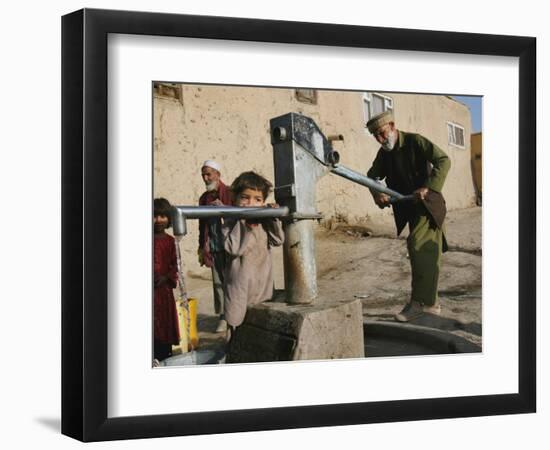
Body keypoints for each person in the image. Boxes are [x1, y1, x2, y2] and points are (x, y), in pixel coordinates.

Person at [365, 111, 451, 322]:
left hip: (428, 205)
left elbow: (443, 160)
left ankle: (421, 304)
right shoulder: (384, 153)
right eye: (375, 136)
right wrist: (378, 193)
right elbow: (371, 177)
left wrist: (428, 187)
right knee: (426, 254)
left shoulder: (415, 141)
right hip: (410, 207)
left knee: (420, 248)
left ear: (393, 126)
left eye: (382, 133)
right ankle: (430, 303)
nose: (380, 139)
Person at [222, 171, 285, 342]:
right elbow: (234, 248)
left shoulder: (263, 221)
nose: (251, 204)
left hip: (262, 285)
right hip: (239, 287)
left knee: (260, 329)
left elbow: (278, 240)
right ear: (235, 199)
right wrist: (245, 224)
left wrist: (272, 218)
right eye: (245, 198)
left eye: (257, 199)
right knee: (237, 330)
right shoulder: (230, 222)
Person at [198, 160, 232, 333]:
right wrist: (202, 247)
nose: (205, 178)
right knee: (218, 283)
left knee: (234, 281)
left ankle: (236, 314)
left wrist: (223, 208)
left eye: (209, 174)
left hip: (231, 247)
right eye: (203, 174)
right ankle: (223, 316)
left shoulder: (229, 192)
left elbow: (238, 217)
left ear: (218, 174)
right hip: (214, 247)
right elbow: (201, 225)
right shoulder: (204, 198)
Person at [153, 198, 180, 362]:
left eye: (163, 216)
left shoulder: (171, 242)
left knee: (164, 324)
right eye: (154, 216)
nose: (158, 221)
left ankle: (164, 357)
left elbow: (175, 265)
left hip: (163, 292)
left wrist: (166, 278)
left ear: (169, 218)